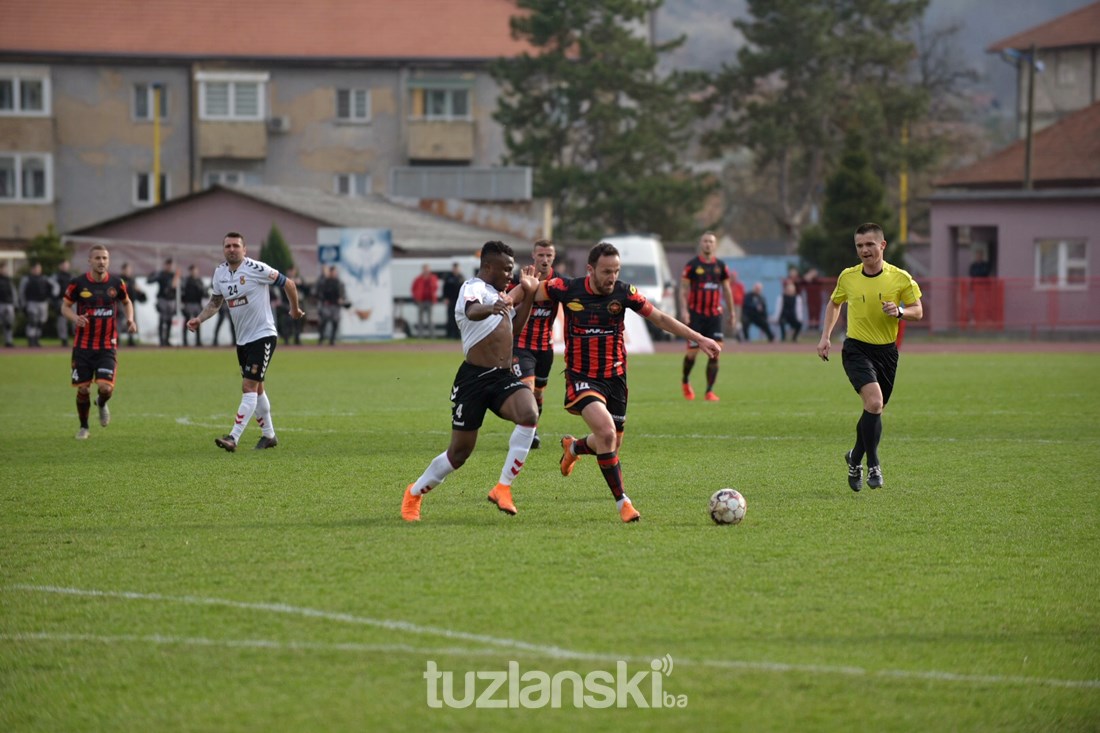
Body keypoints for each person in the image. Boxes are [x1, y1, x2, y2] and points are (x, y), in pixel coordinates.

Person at [540, 242, 721, 523]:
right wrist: (507, 299)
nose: (612, 277)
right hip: (582, 377)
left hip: (616, 379)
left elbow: (659, 318)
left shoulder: (625, 293)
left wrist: (699, 338)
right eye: (606, 271)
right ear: (590, 270)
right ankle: (623, 503)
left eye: (616, 271)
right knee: (607, 433)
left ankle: (573, 447)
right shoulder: (567, 288)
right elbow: (530, 291)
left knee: (610, 442)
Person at [401, 241, 540, 522]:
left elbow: (514, 329)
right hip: (472, 380)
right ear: (488, 266)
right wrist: (494, 306)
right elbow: (472, 311)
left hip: (502, 376)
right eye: (506, 269)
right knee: (459, 453)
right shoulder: (473, 288)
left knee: (529, 414)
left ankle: (503, 488)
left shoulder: (501, 295)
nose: (510, 275)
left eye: (512, 270)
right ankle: (414, 493)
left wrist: (530, 296)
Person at [816, 222, 923, 492]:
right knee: (874, 402)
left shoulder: (900, 278)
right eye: (859, 246)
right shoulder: (848, 277)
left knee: (874, 409)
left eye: (869, 245)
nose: (864, 250)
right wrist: (825, 336)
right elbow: (834, 303)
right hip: (856, 349)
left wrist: (899, 312)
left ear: (882, 245)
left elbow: (918, 310)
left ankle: (854, 458)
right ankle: (873, 463)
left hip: (886, 353)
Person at [186, 232, 304, 452]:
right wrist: (199, 319)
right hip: (243, 340)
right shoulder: (220, 272)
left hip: (263, 335)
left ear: (244, 249)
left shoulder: (256, 269)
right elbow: (216, 301)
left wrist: (294, 309)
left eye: (236, 246)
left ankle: (233, 437)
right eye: (228, 246)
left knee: (248, 385)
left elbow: (289, 283)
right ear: (224, 250)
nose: (232, 249)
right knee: (257, 389)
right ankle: (269, 435)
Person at [61, 245, 137, 440]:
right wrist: (74, 318)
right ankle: (84, 427)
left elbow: (127, 302)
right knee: (83, 388)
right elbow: (65, 307)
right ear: (90, 261)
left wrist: (130, 319)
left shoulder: (116, 283)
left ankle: (102, 403)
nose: (101, 262)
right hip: (83, 346)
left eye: (104, 258)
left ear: (108, 261)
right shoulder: (77, 284)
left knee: (105, 388)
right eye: (97, 258)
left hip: (107, 346)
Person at [507, 238, 560, 448]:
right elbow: (507, 299)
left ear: (553, 257)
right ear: (533, 256)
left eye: (549, 255)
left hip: (545, 348)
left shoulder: (561, 283)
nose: (545, 259)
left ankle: (532, 428)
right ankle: (528, 433)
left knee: (538, 392)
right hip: (521, 344)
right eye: (541, 255)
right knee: (527, 388)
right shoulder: (521, 281)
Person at [679, 231, 735, 401]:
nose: (708, 244)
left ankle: (709, 391)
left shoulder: (721, 266)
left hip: (714, 316)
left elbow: (726, 289)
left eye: (711, 242)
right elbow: (682, 290)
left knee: (715, 352)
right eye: (705, 241)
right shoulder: (692, 266)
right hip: (696, 315)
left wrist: (732, 312)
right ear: (700, 244)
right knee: (692, 354)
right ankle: (685, 381)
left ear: (715, 245)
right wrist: (684, 310)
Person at [19, 262, 51, 347]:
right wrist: (23, 304)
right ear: (32, 269)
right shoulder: (27, 279)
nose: (38, 270)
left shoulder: (45, 278)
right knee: (33, 321)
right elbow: (21, 292)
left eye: (39, 268)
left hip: (43, 303)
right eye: (36, 268)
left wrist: (52, 296)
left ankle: (37, 339)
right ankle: (31, 340)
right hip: (32, 302)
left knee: (41, 322)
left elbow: (54, 287)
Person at [149, 258, 179, 346]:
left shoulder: (174, 275)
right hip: (162, 299)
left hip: (171, 300)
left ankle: (167, 339)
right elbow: (150, 281)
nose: (169, 266)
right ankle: (161, 340)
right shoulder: (161, 274)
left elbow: (175, 288)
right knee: (162, 319)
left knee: (169, 320)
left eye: (171, 265)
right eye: (168, 264)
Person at [315, 265, 348, 345]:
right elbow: (319, 293)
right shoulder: (324, 282)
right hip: (327, 305)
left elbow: (343, 294)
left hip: (336, 305)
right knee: (324, 321)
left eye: (334, 272)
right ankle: (321, 339)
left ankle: (332, 339)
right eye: (332, 272)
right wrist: (323, 300)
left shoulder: (339, 283)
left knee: (335, 322)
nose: (333, 273)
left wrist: (341, 299)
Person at [118, 262, 147, 346]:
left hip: (132, 303)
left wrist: (140, 292)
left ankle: (131, 340)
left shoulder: (132, 280)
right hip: (122, 303)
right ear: (123, 270)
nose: (129, 271)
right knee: (121, 321)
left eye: (130, 269)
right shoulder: (120, 279)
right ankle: (117, 339)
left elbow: (136, 290)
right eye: (127, 269)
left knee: (132, 321)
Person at [411, 263, 440, 338]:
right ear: (423, 269)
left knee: (430, 319)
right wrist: (416, 298)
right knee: (420, 319)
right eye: (425, 268)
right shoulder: (418, 279)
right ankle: (420, 336)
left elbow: (436, 287)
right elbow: (413, 289)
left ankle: (432, 336)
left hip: (430, 300)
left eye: (427, 269)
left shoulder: (433, 278)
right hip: (421, 300)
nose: (426, 270)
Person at [180, 264, 206, 347]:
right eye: (193, 270)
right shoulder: (186, 280)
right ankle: (185, 341)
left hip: (197, 304)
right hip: (188, 303)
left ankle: (198, 341)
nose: (194, 272)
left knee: (197, 322)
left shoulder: (199, 281)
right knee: (187, 322)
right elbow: (182, 292)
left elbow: (203, 292)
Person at [50, 260, 73, 347]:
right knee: (62, 320)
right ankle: (64, 339)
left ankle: (77, 337)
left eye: (66, 265)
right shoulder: (55, 276)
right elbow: (52, 289)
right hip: (61, 300)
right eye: (63, 265)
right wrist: (54, 300)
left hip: (72, 301)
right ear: (60, 266)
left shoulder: (71, 276)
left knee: (76, 319)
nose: (65, 267)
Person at [441, 262, 464, 339]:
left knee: (458, 317)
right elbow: (444, 289)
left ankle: (457, 335)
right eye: (454, 268)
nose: (456, 270)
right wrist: (445, 298)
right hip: (451, 301)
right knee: (450, 317)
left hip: (459, 301)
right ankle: (449, 335)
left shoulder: (461, 278)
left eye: (457, 268)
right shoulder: (448, 278)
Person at [0, 261, 16, 347]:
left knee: (8, 324)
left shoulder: (9, 280)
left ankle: (8, 341)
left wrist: (14, 304)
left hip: (9, 304)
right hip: (1, 303)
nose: (5, 270)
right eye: (3, 269)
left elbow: (13, 292)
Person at [729, 269, 745, 342]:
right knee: (730, 320)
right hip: (729, 305)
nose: (733, 278)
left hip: (737, 305)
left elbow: (742, 295)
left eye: (734, 276)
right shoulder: (728, 285)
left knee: (736, 321)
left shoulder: (739, 285)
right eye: (732, 276)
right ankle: (732, 335)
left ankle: (738, 336)